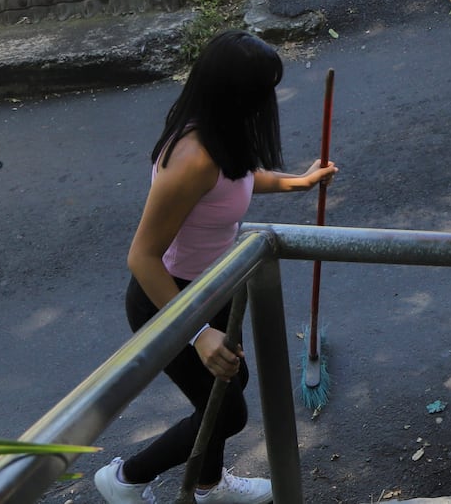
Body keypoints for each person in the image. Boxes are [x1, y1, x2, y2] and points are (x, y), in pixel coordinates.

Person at [95, 30, 339, 504]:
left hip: (213, 286)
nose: (268, 100)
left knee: (228, 386)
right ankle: (125, 478)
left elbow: (239, 180)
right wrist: (198, 331)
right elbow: (141, 256)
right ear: (236, 92)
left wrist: (298, 182)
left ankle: (209, 486)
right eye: (263, 90)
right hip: (169, 297)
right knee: (228, 413)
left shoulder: (221, 131)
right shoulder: (192, 157)